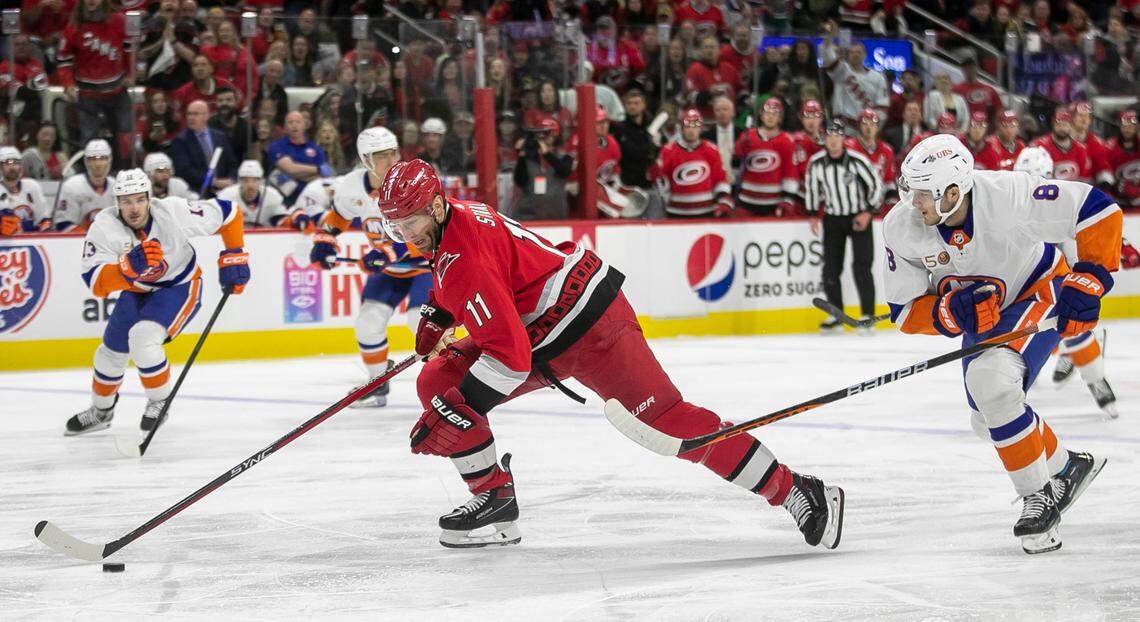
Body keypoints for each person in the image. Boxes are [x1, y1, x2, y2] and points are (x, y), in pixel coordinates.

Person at [374, 158, 845, 549]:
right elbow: (482, 283)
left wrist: (460, 413)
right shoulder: (453, 217)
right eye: (395, 226)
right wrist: (438, 314)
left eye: (411, 222)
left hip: (590, 325)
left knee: (665, 421)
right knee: (437, 382)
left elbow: (510, 358)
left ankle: (796, 490)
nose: (405, 234)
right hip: (540, 325)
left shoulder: (463, 258)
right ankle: (494, 498)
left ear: (436, 205)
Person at [885, 134, 1114, 553]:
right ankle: (1068, 466)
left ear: (952, 192)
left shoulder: (1009, 194)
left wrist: (1091, 277)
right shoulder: (902, 226)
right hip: (984, 315)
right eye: (908, 190)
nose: (911, 202)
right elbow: (903, 310)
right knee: (986, 419)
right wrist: (950, 312)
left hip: (1035, 292)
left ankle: (1038, 499)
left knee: (992, 384)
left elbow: (1095, 206)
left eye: (921, 194)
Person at [65, 168, 249, 435]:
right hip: (137, 289)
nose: (134, 208)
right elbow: (95, 282)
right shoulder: (104, 227)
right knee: (108, 354)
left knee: (143, 338)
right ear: (116, 203)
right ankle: (101, 411)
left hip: (179, 286)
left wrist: (234, 254)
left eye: (140, 199)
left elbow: (229, 213)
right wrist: (125, 270)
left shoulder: (173, 212)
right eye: (127, 201)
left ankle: (159, 401)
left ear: (149, 198)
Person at [309, 127, 432, 407]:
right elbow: (338, 217)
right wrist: (324, 241)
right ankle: (377, 382)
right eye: (381, 156)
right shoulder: (353, 186)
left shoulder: (410, 181)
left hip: (428, 265)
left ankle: (450, 380)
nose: (390, 161)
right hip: (392, 270)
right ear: (366, 159)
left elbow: (422, 233)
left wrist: (386, 251)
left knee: (421, 322)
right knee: (368, 322)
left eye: (392, 154)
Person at [1013, 146, 1119, 417]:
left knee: (1075, 329)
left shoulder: (1059, 203)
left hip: (1058, 281)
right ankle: (1011, 383)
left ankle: (1095, 379)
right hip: (1025, 283)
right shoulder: (1007, 205)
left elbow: (1088, 229)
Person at [805, 121, 882, 333]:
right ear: (824, 138)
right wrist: (812, 214)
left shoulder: (857, 160)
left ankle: (867, 314)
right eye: (829, 135)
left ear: (843, 138)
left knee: (862, 266)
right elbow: (812, 189)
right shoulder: (817, 163)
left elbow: (876, 185)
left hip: (858, 217)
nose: (833, 140)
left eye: (837, 135)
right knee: (830, 268)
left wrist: (867, 211)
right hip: (833, 219)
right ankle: (836, 314)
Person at [57, 0, 132, 162]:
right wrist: (68, 84)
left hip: (117, 90)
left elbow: (129, 49)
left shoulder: (119, 21)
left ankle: (127, 169)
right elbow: (63, 61)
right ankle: (90, 174)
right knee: (90, 139)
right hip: (87, 94)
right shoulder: (73, 27)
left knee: (126, 133)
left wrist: (130, 73)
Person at [653, 108, 733, 217]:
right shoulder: (668, 151)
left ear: (700, 128)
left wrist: (723, 198)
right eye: (688, 126)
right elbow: (662, 180)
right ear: (681, 128)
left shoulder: (711, 150)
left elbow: (720, 178)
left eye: (695, 126)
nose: (691, 130)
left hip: (706, 211)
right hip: (676, 212)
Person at [732, 97, 797, 216]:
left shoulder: (787, 141)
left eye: (774, 113)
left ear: (780, 118)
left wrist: (787, 200)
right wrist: (740, 147)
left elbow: (790, 172)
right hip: (746, 201)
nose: (770, 117)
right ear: (761, 116)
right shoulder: (748, 136)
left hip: (773, 204)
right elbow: (735, 163)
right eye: (767, 113)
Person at [820, 23, 888, 129]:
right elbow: (828, 59)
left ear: (865, 55)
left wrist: (876, 128)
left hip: (868, 125)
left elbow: (882, 107)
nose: (855, 54)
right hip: (843, 125)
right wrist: (829, 37)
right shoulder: (841, 70)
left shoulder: (878, 77)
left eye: (858, 52)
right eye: (852, 52)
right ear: (848, 55)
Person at [169, 100, 239, 196]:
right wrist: (213, 181)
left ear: (206, 116)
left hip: (225, 192)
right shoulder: (180, 141)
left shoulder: (220, 137)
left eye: (195, 114)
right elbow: (184, 171)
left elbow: (232, 164)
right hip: (196, 193)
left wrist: (231, 179)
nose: (190, 118)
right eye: (189, 114)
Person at [513, 118, 574, 220]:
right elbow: (520, 181)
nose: (542, 137)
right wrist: (521, 156)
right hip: (529, 216)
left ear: (555, 135)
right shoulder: (529, 158)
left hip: (557, 215)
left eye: (546, 133)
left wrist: (547, 155)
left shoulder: (564, 157)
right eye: (539, 134)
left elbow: (564, 171)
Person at [268, 111, 332, 205]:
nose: (294, 125)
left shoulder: (316, 149)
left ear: (304, 126)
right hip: (286, 201)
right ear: (285, 128)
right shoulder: (277, 146)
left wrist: (297, 174)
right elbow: (291, 169)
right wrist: (317, 169)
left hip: (312, 199)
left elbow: (322, 177)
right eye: (290, 122)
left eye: (298, 122)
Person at [217, 159, 302, 229]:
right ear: (239, 181)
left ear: (261, 181)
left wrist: (294, 219)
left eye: (255, 180)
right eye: (246, 180)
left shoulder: (272, 195)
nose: (250, 185)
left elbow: (280, 219)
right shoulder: (226, 196)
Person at [53, 139, 116, 231]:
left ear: (109, 160)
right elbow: (63, 223)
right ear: (86, 161)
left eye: (102, 158)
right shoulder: (72, 186)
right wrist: (86, 236)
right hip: (77, 242)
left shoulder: (117, 186)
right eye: (93, 159)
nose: (98, 164)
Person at [846, 108, 897, 211]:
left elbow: (889, 181)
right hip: (853, 203)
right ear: (859, 126)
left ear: (877, 127)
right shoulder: (848, 147)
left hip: (879, 203)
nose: (869, 127)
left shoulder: (887, 150)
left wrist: (891, 200)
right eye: (865, 123)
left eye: (872, 124)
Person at [1030, 109, 1093, 183]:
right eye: (1059, 124)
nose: (1062, 128)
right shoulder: (1040, 145)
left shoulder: (1081, 149)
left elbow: (1083, 178)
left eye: (1065, 125)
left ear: (1071, 127)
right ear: (1053, 125)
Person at [611, 89, 657, 190]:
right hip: (628, 183)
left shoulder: (651, 123)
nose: (632, 106)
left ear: (643, 105)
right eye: (629, 103)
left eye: (636, 103)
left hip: (649, 182)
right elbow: (634, 152)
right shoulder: (619, 128)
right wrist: (651, 142)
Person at [0, 147, 50, 235]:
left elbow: (44, 218)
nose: (12, 167)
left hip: (34, 241)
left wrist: (43, 229)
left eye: (15, 163)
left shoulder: (32, 186)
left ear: (21, 166)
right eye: (7, 163)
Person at [171, 55, 240, 117]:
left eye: (204, 65)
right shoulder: (182, 93)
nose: (199, 68)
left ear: (211, 69)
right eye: (196, 65)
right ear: (191, 70)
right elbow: (177, 119)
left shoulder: (225, 85)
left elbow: (239, 105)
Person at [1104, 110, 1140, 209]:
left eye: (1131, 126)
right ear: (1120, 127)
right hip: (1118, 203)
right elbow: (1104, 178)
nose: (1128, 129)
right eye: (1125, 126)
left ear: (1137, 127)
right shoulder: (1109, 148)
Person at [701, 96, 740, 184]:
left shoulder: (743, 134)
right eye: (718, 110)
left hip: (738, 183)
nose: (721, 113)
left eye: (725, 109)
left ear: (732, 112)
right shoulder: (705, 137)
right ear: (714, 114)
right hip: (714, 183)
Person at [209, 87, 251, 163]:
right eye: (220, 100)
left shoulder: (247, 127)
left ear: (235, 102)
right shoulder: (208, 125)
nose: (224, 103)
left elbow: (254, 156)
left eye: (229, 100)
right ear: (216, 103)